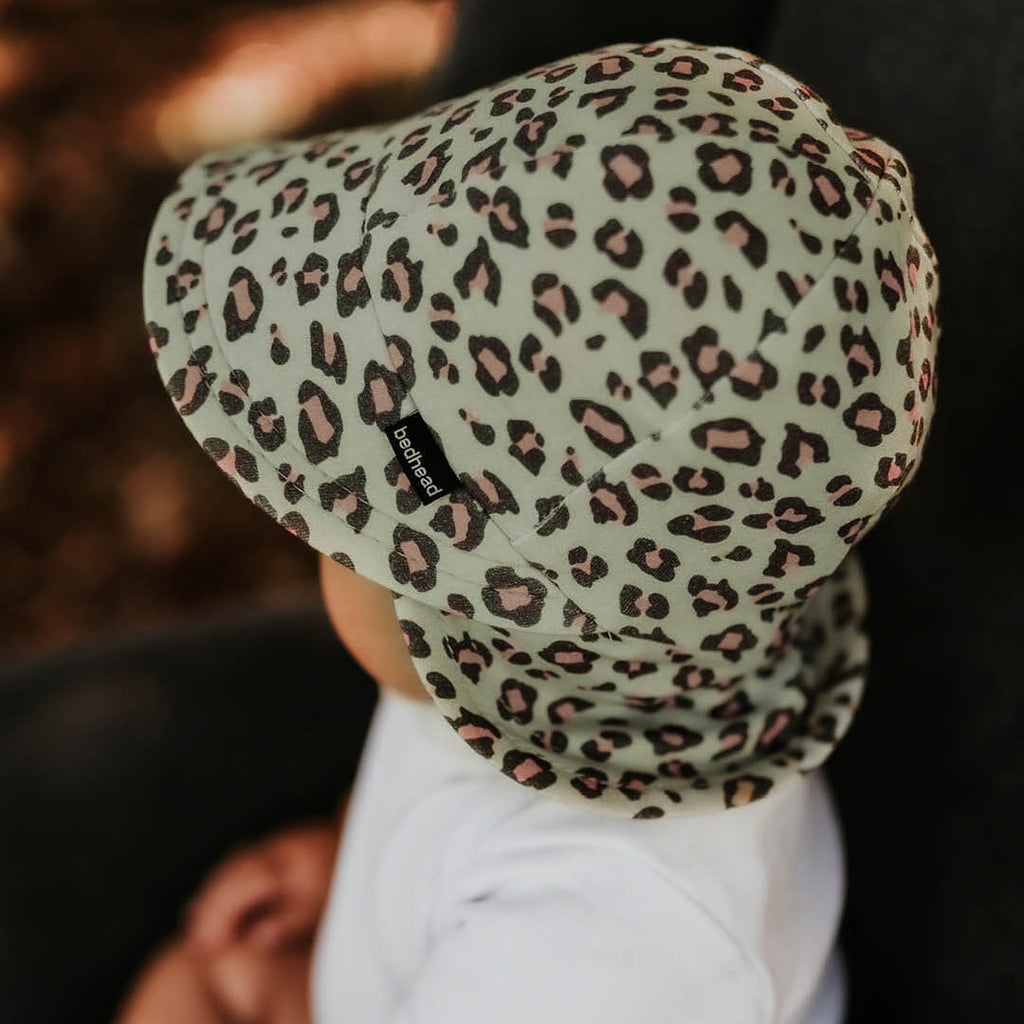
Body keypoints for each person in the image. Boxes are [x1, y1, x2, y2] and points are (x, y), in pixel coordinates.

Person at [123, 37, 940, 1022]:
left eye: (335, 525)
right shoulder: (546, 653)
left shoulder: (610, 945)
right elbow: (454, 804)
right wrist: (351, 864)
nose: (303, 541)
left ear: (482, 605)